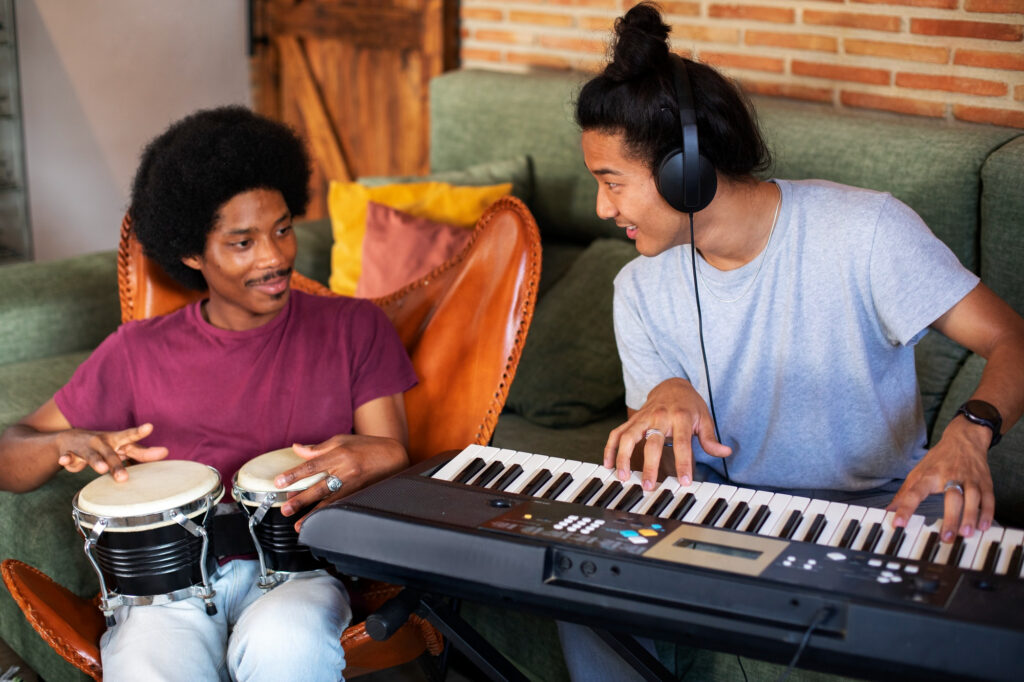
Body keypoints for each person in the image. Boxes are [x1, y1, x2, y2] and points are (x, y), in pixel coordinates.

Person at [558, 2, 1024, 680]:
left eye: (611, 183)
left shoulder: (866, 233)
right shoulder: (639, 287)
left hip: (885, 507)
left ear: (683, 172)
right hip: (725, 512)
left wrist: (970, 432)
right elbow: (657, 446)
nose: (603, 209)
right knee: (582, 574)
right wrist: (666, 396)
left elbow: (1012, 338)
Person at [0, 106, 417, 681]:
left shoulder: (354, 327)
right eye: (242, 242)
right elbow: (9, 457)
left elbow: (394, 456)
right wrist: (64, 442)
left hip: (299, 574)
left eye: (283, 228)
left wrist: (379, 455)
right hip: (163, 591)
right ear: (193, 254)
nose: (274, 257)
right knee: (149, 668)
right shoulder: (137, 350)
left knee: (288, 644)